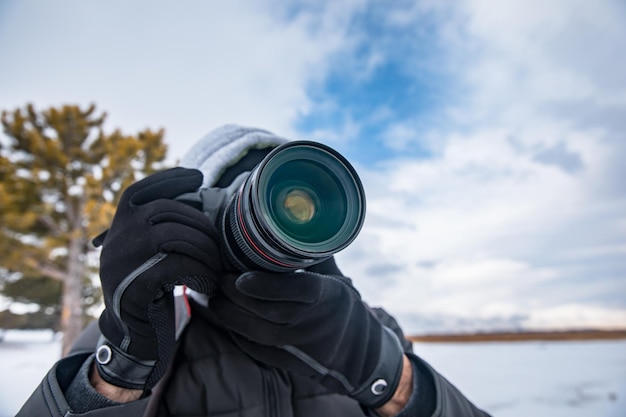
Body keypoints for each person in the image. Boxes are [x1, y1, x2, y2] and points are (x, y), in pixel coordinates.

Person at [17, 125, 491, 417]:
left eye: (286, 206)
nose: (271, 222)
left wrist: (382, 370)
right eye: (236, 197)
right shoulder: (143, 326)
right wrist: (123, 366)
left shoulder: (366, 329)